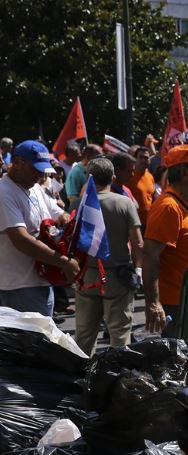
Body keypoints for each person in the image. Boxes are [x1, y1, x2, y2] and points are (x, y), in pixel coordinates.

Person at [0, 141, 79, 316]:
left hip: (40, 280)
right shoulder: (4, 192)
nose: (40, 175)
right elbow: (21, 240)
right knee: (31, 342)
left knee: (40, 340)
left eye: (42, 170)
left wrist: (65, 221)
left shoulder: (35, 187)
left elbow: (59, 213)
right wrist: (64, 262)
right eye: (35, 169)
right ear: (18, 162)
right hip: (19, 286)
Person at [74, 158, 143, 355]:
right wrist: (138, 269)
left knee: (84, 335)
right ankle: (116, 376)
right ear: (113, 177)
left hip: (87, 276)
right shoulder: (124, 203)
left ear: (89, 178)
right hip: (118, 276)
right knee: (119, 334)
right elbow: (137, 242)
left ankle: (80, 375)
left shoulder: (80, 204)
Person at [143, 144, 188, 335]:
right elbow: (150, 255)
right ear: (184, 173)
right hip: (174, 306)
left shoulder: (186, 203)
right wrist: (153, 303)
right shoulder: (169, 207)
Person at [64, 144, 102, 209]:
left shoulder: (94, 170)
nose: (101, 159)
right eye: (98, 156)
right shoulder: (75, 173)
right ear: (88, 157)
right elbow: (73, 200)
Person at [126, 146, 156, 229]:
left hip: (149, 222)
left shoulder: (150, 177)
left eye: (146, 158)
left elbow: (152, 198)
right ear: (135, 159)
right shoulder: (129, 176)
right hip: (134, 223)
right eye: (141, 157)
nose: (143, 160)